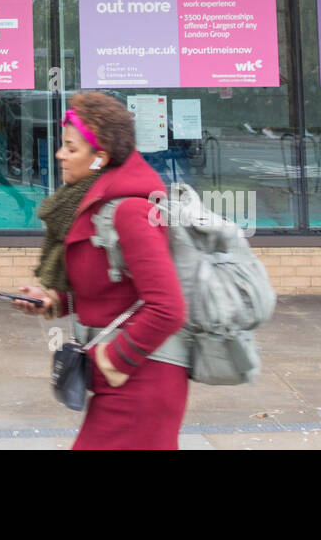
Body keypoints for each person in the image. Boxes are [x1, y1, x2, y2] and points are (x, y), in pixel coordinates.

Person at [10, 91, 188, 450]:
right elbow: (110, 289)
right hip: (123, 379)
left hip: (143, 381)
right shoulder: (90, 204)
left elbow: (169, 308)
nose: (60, 154)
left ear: (99, 158)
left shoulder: (129, 212)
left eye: (71, 148)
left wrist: (112, 361)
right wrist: (52, 300)